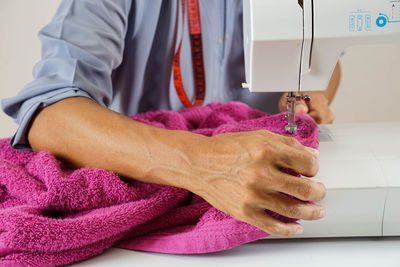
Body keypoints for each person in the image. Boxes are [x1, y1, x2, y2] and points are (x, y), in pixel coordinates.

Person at [1, 0, 339, 237]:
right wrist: (201, 162)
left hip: (261, 186)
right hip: (150, 183)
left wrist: (312, 88)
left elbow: (325, 57)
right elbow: (51, 116)